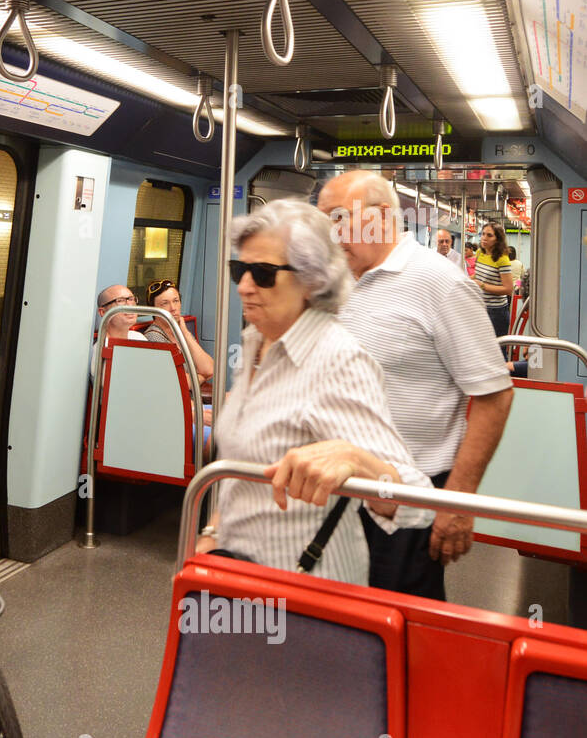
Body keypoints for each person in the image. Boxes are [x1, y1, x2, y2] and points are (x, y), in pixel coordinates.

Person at [194, 199, 431, 586]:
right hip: (237, 575)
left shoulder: (337, 359)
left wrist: (355, 459)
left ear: (311, 280)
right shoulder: (256, 343)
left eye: (263, 273)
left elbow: (415, 503)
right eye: (239, 269)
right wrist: (212, 534)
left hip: (307, 589)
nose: (244, 286)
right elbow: (241, 466)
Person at [318, 170, 512, 600]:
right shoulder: (335, 283)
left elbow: (494, 398)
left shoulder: (440, 284)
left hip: (406, 497)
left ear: (383, 216)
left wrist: (457, 502)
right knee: (332, 630)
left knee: (399, 633)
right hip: (334, 489)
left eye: (338, 219)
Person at [145, 279, 214, 385]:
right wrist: (201, 377)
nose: (173, 308)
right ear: (154, 309)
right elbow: (180, 382)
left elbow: (209, 369)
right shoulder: (153, 337)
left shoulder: (181, 332)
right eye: (165, 303)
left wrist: (185, 333)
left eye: (176, 301)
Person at [474, 222, 515, 344]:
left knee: (497, 349)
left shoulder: (502, 259)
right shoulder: (480, 253)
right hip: (481, 307)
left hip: (496, 312)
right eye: (483, 234)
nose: (484, 238)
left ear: (498, 240)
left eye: (489, 235)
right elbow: (479, 275)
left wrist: (482, 285)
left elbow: (508, 289)